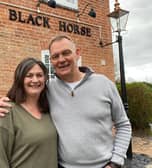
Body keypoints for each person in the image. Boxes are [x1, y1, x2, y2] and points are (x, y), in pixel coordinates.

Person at [0, 35, 131, 168]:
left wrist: (116, 162)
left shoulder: (104, 84)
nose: (61, 59)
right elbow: (24, 96)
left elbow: (123, 125)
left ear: (78, 53)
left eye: (66, 53)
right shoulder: (48, 89)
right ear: (51, 60)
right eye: (55, 56)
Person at [0, 58, 58, 168]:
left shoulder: (48, 109)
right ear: (20, 79)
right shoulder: (7, 111)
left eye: (39, 75)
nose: (35, 80)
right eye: (29, 75)